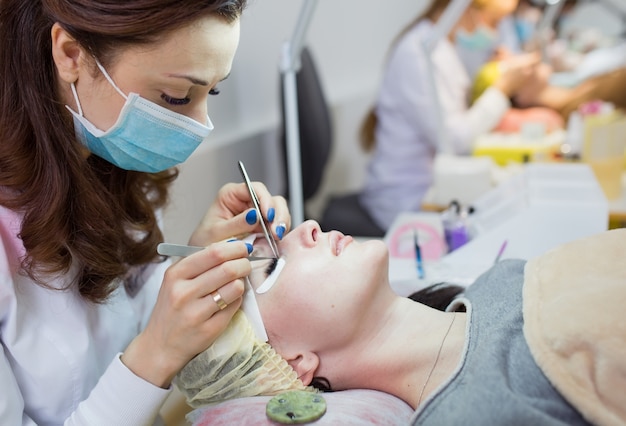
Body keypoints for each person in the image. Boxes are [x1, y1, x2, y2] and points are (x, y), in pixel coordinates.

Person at [0, 1, 292, 424]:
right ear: (70, 54)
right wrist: (156, 354)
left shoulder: (99, 152)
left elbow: (124, 314)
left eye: (211, 91)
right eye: (176, 96)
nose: (198, 124)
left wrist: (196, 256)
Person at [179, 219, 625, 425]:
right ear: (293, 363)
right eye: (271, 267)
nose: (307, 228)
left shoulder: (491, 283)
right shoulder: (474, 413)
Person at [357, 0, 626, 231]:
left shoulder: (442, 48)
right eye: (494, 21)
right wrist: (501, 88)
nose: (496, 32)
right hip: (410, 201)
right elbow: (455, 141)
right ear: (465, 9)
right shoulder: (420, 54)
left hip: (436, 188)